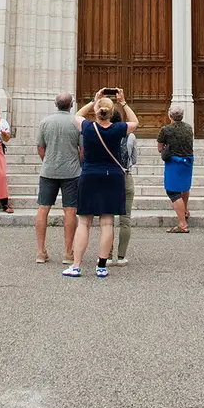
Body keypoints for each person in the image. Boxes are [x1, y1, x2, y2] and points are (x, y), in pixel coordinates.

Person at [65, 88, 136, 278]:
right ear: (112, 113)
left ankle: (77, 265)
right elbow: (135, 122)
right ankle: (102, 266)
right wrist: (123, 102)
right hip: (112, 176)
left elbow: (77, 115)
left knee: (84, 222)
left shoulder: (87, 127)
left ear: (97, 111)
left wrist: (94, 100)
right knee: (107, 223)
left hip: (90, 175)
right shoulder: (118, 129)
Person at [35, 92, 80, 264]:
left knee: (43, 208)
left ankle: (40, 251)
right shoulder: (77, 122)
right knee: (70, 210)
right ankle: (68, 253)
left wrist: (48, 161)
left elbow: (40, 147)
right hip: (71, 172)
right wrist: (77, 163)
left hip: (48, 171)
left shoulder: (45, 122)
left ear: (55, 104)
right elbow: (82, 150)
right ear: (71, 105)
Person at [156, 105, 194, 234]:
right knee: (184, 187)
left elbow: (160, 148)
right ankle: (185, 211)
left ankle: (182, 224)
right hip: (188, 161)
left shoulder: (165, 129)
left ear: (169, 115)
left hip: (174, 162)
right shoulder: (189, 128)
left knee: (173, 192)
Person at [114, 122, 139, 265]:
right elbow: (134, 159)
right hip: (126, 176)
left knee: (107, 219)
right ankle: (122, 256)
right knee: (125, 219)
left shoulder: (104, 135)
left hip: (109, 176)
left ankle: (108, 255)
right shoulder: (131, 136)